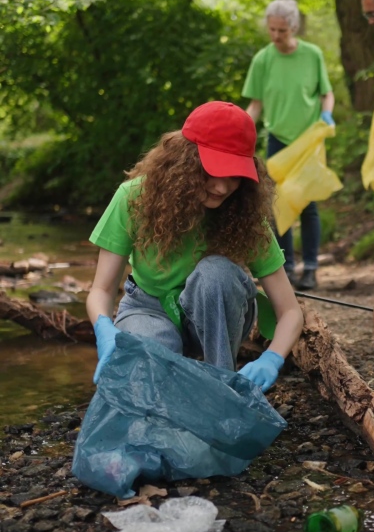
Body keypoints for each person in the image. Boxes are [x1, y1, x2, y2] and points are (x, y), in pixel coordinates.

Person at [86, 101, 304, 394]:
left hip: (216, 315)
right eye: (213, 171)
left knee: (216, 273)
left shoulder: (244, 214)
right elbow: (101, 290)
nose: (223, 188)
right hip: (149, 310)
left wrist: (272, 358)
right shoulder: (134, 198)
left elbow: (290, 310)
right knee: (150, 374)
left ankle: (220, 386)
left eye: (235, 175)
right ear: (184, 162)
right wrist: (104, 330)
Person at [243, 0, 335, 291]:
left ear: (293, 27)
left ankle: (311, 268)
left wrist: (327, 115)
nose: (276, 35)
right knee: (279, 205)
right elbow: (255, 105)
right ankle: (287, 269)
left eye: (281, 30)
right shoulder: (262, 59)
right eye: (271, 29)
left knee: (306, 205)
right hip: (278, 142)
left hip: (308, 141)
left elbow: (326, 92)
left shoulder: (312, 55)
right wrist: (240, 130)